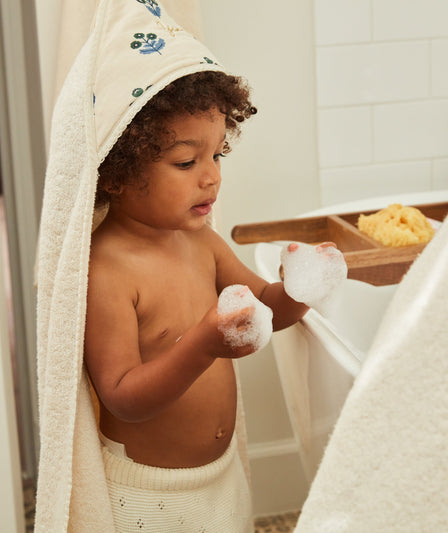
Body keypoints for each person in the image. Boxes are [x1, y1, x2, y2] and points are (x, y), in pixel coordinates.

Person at [84, 70, 318, 531]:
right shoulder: (106, 269)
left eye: (217, 155)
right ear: (116, 173)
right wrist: (203, 345)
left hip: (220, 477)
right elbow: (122, 398)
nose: (211, 177)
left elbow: (267, 303)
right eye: (187, 163)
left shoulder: (200, 242)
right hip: (148, 496)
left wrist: (301, 287)